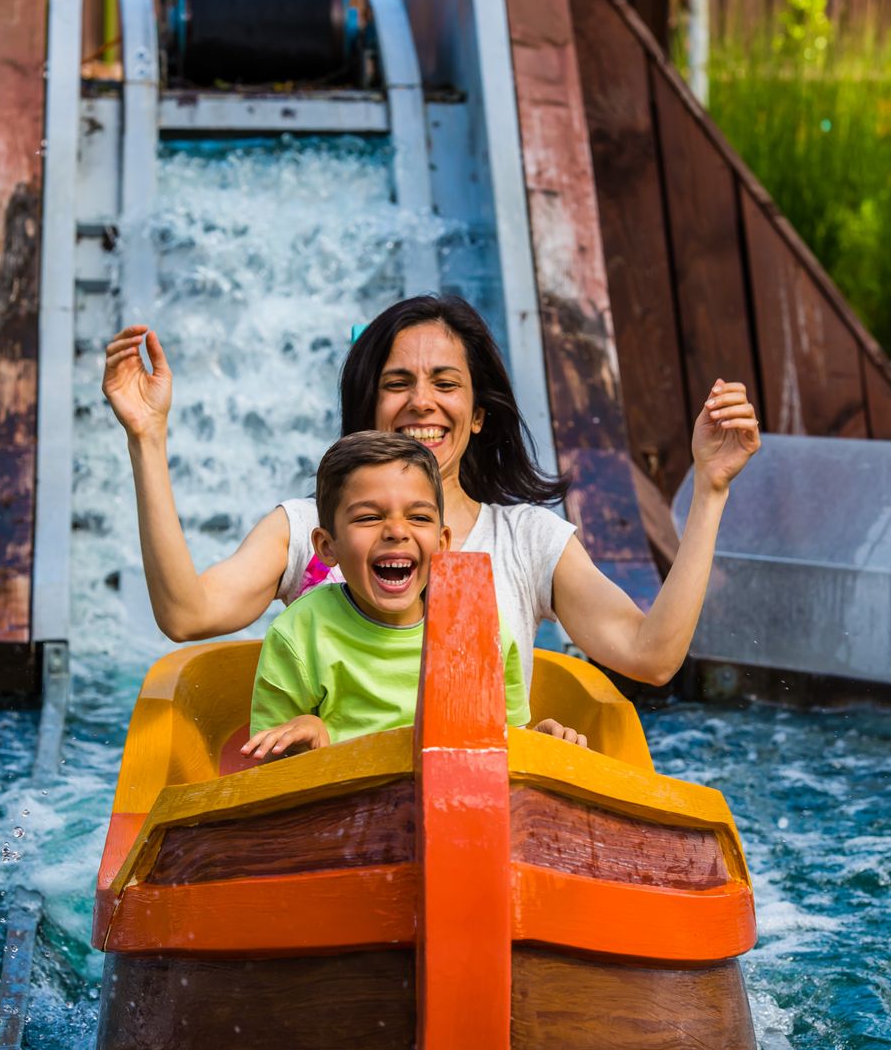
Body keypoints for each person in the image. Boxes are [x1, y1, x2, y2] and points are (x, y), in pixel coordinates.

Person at [102, 293, 760, 693]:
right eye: (397, 384)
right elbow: (186, 615)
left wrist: (709, 490)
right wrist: (147, 439)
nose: (422, 402)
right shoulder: (307, 531)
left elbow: (650, 657)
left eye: (446, 384)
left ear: (477, 414)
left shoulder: (528, 541)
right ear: (369, 408)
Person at [240, 431, 533, 759]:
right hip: (346, 806)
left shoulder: (481, 626)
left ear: (442, 543)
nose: (396, 531)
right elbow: (265, 775)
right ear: (327, 546)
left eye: (419, 517)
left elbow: (511, 748)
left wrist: (541, 742)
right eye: (369, 517)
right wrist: (300, 744)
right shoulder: (299, 633)